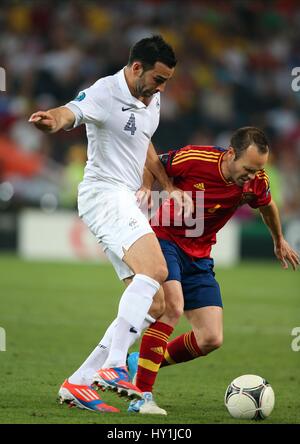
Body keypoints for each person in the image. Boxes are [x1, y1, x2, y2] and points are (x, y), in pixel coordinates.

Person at [29, 35, 193, 413]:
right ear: (136, 68)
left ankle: (79, 382)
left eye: (166, 80)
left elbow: (146, 143)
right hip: (104, 193)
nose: (161, 88)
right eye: (157, 79)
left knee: (155, 301)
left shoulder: (151, 99)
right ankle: (115, 366)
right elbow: (70, 112)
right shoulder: (104, 92)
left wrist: (166, 186)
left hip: (125, 197)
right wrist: (52, 120)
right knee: (156, 268)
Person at [125, 126, 300, 414]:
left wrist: (278, 239)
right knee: (172, 308)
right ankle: (140, 395)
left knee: (210, 338)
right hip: (165, 238)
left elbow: (267, 206)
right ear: (231, 154)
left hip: (200, 256)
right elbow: (153, 163)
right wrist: (147, 188)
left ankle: (140, 362)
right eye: (248, 168)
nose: (253, 176)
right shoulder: (195, 158)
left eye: (258, 170)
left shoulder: (256, 181)